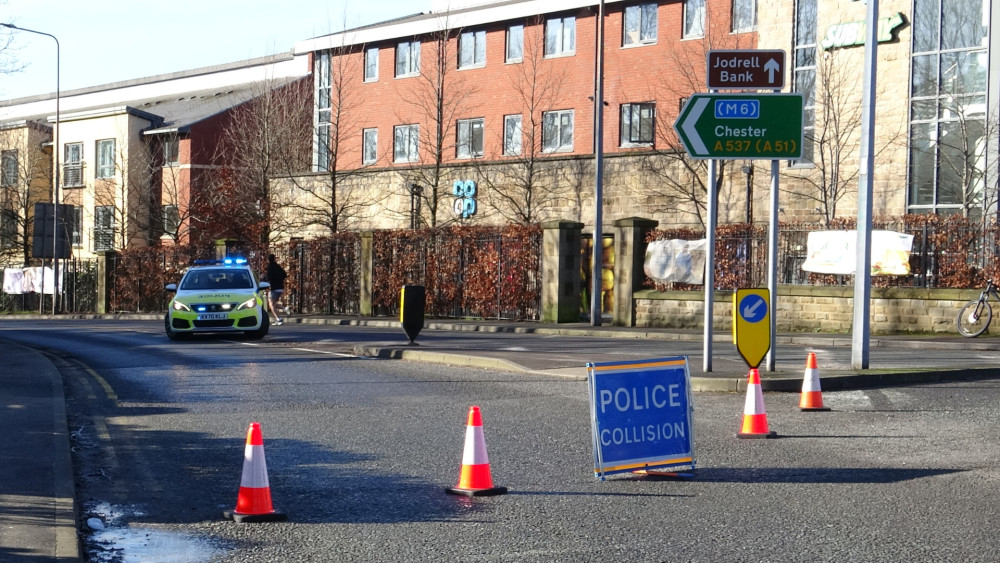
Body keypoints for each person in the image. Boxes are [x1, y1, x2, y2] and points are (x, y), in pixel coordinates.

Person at [265, 254, 287, 325]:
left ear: (268, 260)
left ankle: (278, 319)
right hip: (280, 287)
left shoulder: (269, 268)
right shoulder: (278, 266)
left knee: (271, 304)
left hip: (273, 288)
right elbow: (284, 274)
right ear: (274, 259)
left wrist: (264, 278)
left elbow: (268, 278)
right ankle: (284, 308)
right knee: (273, 303)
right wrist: (279, 279)